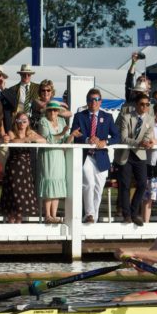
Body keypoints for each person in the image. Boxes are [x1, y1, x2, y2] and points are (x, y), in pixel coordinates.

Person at [70, 88, 119, 224]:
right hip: (86, 156)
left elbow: (117, 136)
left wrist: (105, 142)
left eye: (97, 99)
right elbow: (74, 134)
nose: (94, 102)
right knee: (89, 184)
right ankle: (89, 214)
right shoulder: (80, 116)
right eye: (91, 99)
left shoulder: (107, 117)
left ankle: (93, 218)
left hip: (101, 156)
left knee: (98, 188)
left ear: (101, 101)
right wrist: (87, 140)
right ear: (87, 101)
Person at [116, 93, 155, 225]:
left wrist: (146, 143)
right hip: (126, 154)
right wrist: (140, 143)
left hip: (140, 154)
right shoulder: (126, 117)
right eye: (142, 104)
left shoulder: (150, 119)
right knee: (125, 185)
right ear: (136, 105)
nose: (144, 107)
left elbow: (148, 136)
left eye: (147, 104)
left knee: (143, 184)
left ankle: (134, 212)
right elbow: (123, 138)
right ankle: (127, 214)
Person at [0, 112, 44, 223]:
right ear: (16, 122)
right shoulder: (12, 132)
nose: (22, 123)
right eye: (20, 121)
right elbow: (12, 141)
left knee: (22, 197)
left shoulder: (30, 132)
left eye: (25, 121)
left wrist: (32, 138)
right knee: (13, 196)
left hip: (25, 168)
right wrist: (26, 140)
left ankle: (19, 223)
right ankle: (10, 224)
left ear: (28, 122)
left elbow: (43, 140)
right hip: (14, 167)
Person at [36, 100, 71, 224]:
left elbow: (66, 139)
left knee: (57, 184)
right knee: (49, 182)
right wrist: (62, 133)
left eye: (55, 110)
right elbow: (47, 139)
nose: (53, 112)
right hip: (48, 154)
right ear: (47, 111)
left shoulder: (62, 121)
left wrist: (71, 136)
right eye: (50, 110)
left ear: (58, 112)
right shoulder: (43, 121)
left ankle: (54, 215)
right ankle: (48, 215)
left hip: (59, 154)